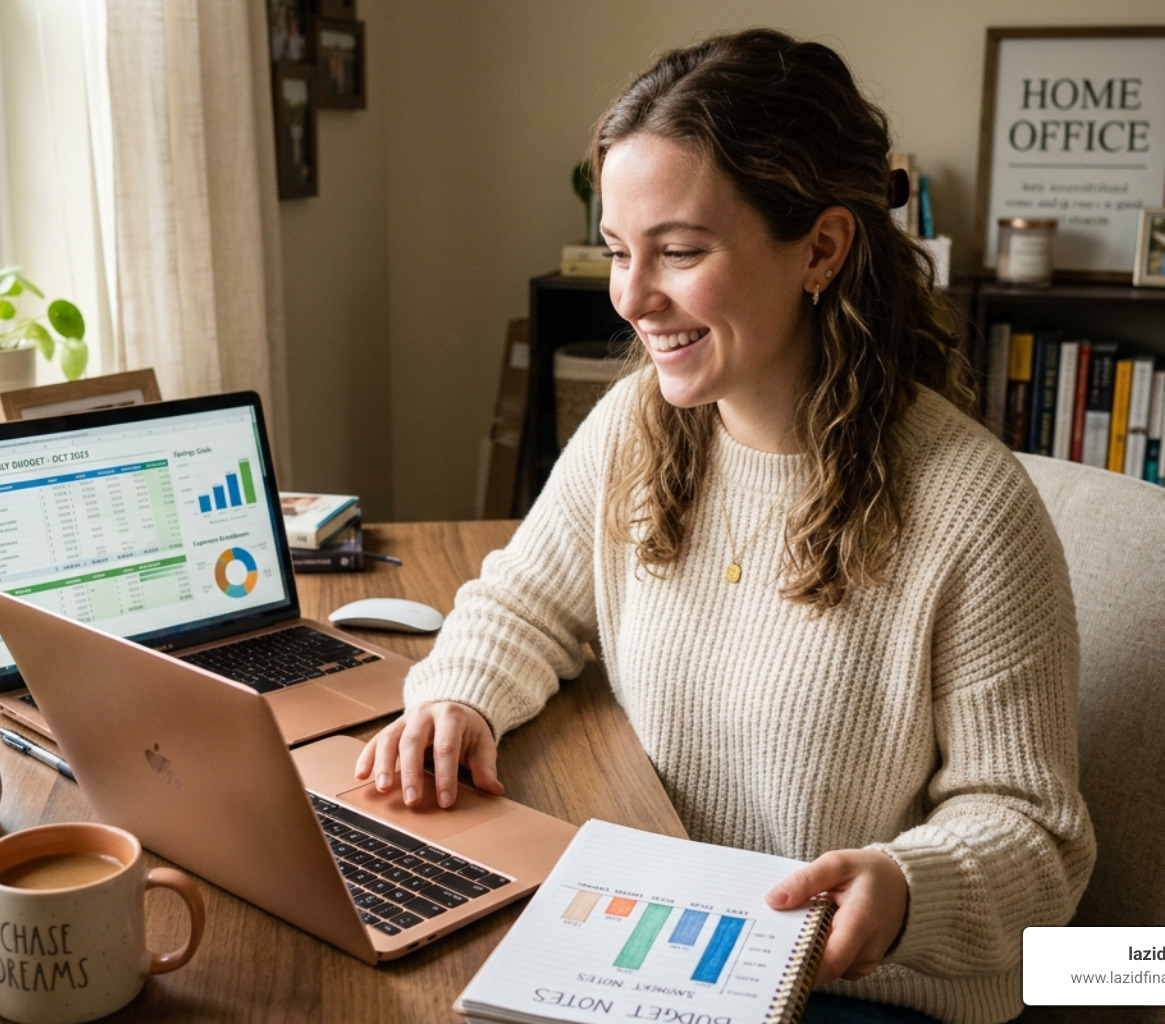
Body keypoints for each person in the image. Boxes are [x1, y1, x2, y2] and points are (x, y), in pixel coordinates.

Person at [357, 29, 1093, 1024]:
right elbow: (530, 597)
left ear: (822, 248)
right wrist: (459, 699)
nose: (632, 295)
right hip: (650, 940)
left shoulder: (970, 509)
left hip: (860, 987)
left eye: (680, 251)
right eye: (620, 250)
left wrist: (906, 886)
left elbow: (1036, 831)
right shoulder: (637, 424)